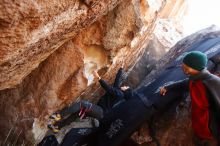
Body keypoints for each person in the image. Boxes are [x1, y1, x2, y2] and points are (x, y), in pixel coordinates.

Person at [160, 51, 220, 146]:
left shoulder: (214, 82)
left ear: (196, 68)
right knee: (200, 133)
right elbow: (185, 83)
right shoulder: (195, 78)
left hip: (211, 123)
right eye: (183, 65)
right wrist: (168, 87)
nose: (183, 68)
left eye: (186, 67)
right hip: (198, 118)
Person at [48, 67, 131, 133]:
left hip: (100, 111)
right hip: (99, 111)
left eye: (126, 87)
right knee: (77, 114)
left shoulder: (119, 94)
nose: (125, 86)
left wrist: (98, 77)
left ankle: (59, 115)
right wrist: (121, 69)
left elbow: (108, 88)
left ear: (126, 91)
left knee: (82, 104)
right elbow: (117, 82)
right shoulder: (118, 92)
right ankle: (57, 127)